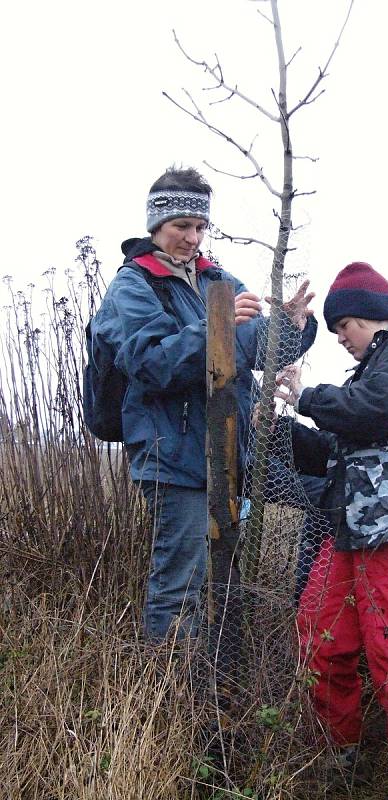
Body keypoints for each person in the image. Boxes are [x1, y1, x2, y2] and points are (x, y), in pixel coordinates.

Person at [90, 166, 316, 642]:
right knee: (181, 586)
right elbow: (151, 363)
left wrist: (292, 329)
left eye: (199, 227)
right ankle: (170, 700)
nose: (192, 238)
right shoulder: (134, 286)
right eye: (181, 227)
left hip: (231, 456)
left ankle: (217, 684)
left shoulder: (219, 278)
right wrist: (216, 325)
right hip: (173, 457)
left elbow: (252, 347)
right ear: (156, 226)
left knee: (227, 583)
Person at [273, 262, 388, 799]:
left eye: (343, 328)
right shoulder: (370, 376)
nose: (341, 341)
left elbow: (369, 410)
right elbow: (334, 450)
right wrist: (279, 427)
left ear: (368, 317)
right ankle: (338, 755)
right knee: (318, 634)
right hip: (349, 531)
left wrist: (308, 397)